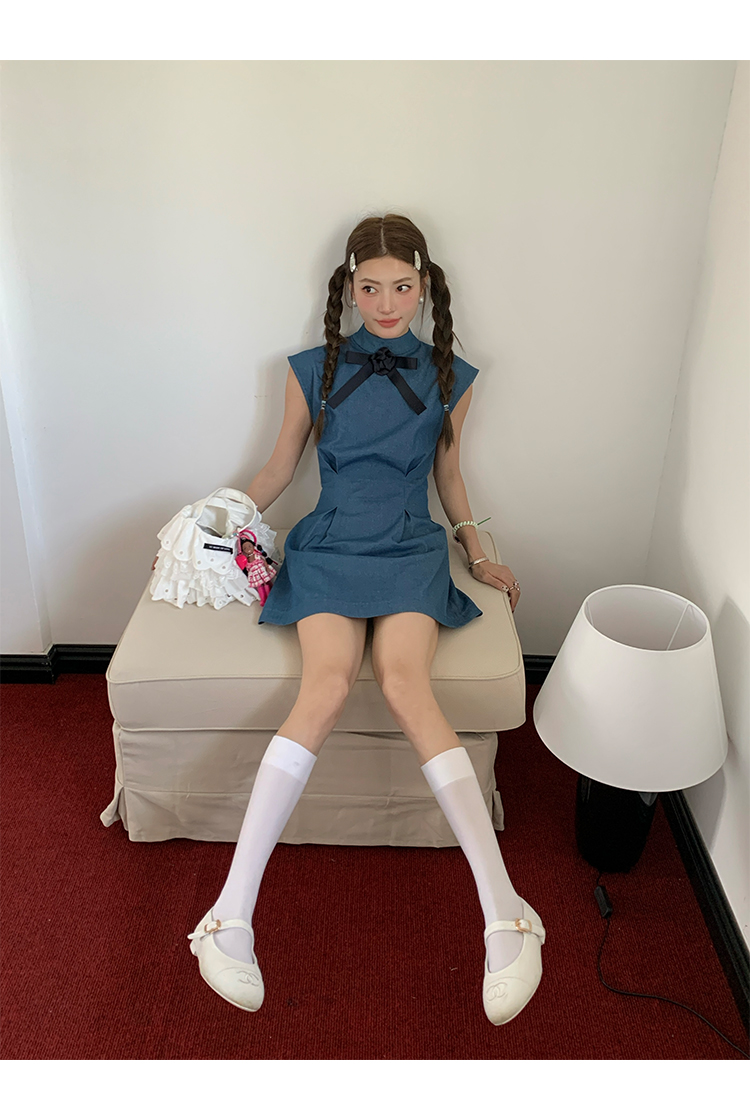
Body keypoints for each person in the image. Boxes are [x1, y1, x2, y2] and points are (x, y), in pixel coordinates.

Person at [186, 213, 546, 1026]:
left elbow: (451, 478)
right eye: (371, 287)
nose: (386, 303)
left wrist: (476, 549)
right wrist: (204, 527)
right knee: (323, 687)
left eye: (402, 287)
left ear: (425, 288)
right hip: (330, 544)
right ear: (349, 289)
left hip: (410, 546)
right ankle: (228, 915)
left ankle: (507, 913)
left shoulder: (453, 374)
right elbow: (280, 466)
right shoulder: (310, 368)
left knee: (406, 685)